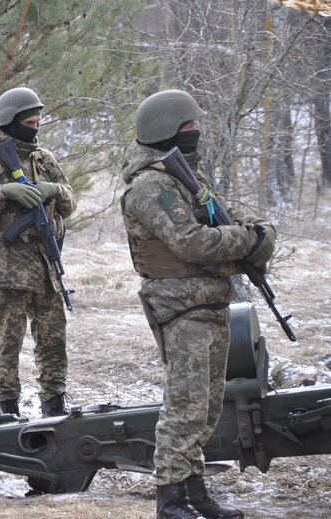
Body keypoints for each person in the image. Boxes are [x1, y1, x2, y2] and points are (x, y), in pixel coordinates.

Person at [120, 89, 276, 519]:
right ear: (166, 130)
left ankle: (195, 493)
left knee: (206, 410)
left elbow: (211, 225)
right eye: (189, 126)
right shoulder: (153, 186)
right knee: (184, 408)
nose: (196, 132)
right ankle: (171, 500)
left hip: (208, 303)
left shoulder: (183, 176)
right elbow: (190, 242)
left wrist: (247, 237)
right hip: (181, 307)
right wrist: (251, 238)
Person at [0, 87, 77, 419]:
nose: (35, 127)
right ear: (11, 121)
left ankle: (54, 403)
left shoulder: (43, 159)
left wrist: (53, 190)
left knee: (53, 343)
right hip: (9, 270)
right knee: (9, 345)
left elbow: (69, 202)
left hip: (46, 268)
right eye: (29, 121)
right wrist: (2, 194)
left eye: (39, 121)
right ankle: (7, 407)